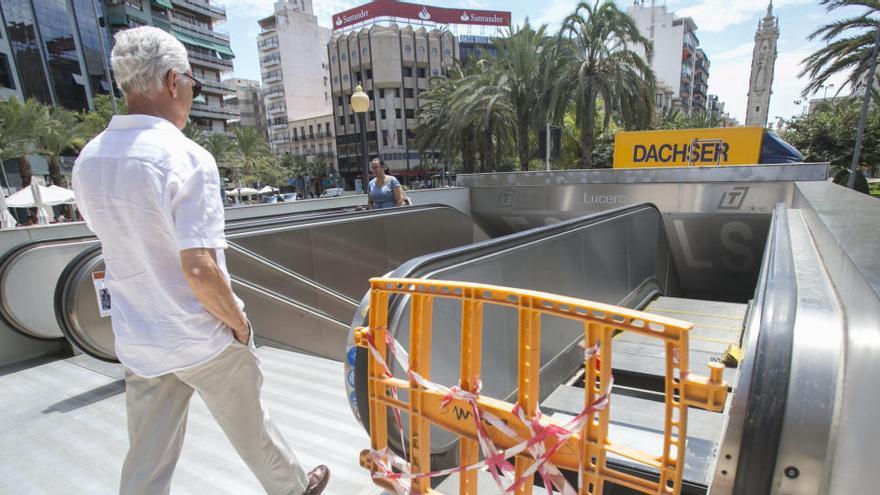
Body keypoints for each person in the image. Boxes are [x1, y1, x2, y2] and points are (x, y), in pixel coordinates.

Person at [71, 27, 329, 495]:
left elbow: (112, 239)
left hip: (141, 342)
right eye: (194, 82)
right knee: (253, 431)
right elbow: (199, 269)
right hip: (201, 339)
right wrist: (240, 325)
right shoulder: (186, 157)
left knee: (147, 459)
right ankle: (294, 489)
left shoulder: (89, 160)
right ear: (173, 81)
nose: (193, 91)